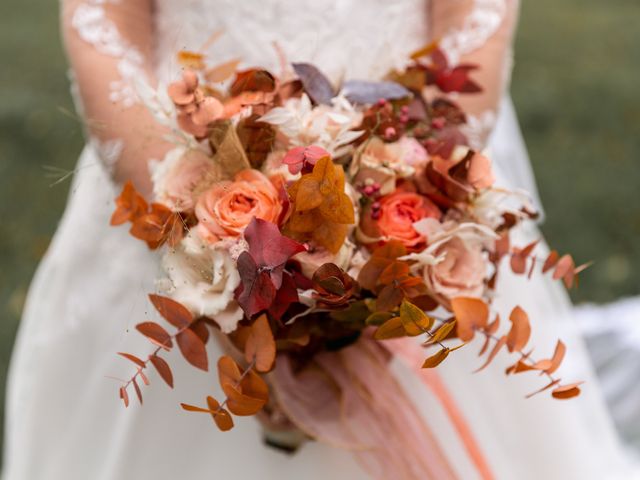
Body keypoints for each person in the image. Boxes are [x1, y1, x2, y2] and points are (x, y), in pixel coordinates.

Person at [3, 0, 636, 478]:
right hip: (173, 181)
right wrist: (197, 229)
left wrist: (405, 212)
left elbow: (475, 19)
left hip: (409, 188)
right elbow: (101, 25)